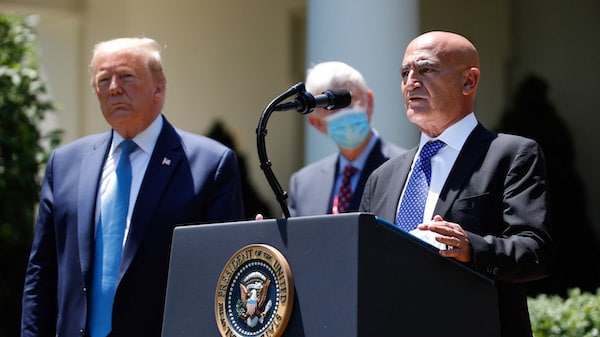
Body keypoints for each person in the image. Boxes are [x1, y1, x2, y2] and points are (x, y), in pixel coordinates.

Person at [20, 37, 245, 337]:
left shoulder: (209, 165)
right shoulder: (65, 164)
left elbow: (222, 277)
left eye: (126, 76)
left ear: (159, 88)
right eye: (103, 80)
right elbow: (41, 274)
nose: (114, 88)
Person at [359, 31, 553, 337]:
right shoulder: (382, 177)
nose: (411, 82)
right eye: (405, 73)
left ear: (469, 82)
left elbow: (534, 252)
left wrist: (470, 247)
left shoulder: (510, 155)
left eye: (426, 69)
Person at [288, 61, 405, 216]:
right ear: (316, 123)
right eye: (329, 106)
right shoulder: (303, 183)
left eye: (349, 100)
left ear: (369, 102)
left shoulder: (406, 170)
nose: (343, 111)